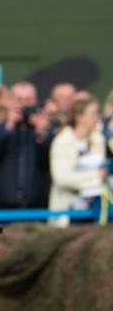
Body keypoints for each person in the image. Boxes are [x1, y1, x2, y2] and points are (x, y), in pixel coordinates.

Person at [0, 82, 52, 209]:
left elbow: (51, 160)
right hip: (1, 205)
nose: (23, 105)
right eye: (19, 100)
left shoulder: (43, 131)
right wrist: (8, 126)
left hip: (35, 206)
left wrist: (42, 134)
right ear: (10, 102)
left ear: (36, 102)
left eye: (28, 100)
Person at [47, 96, 106, 225]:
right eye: (93, 114)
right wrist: (96, 177)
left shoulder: (98, 140)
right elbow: (62, 178)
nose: (97, 117)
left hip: (95, 212)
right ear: (79, 117)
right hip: (69, 215)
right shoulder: (62, 141)